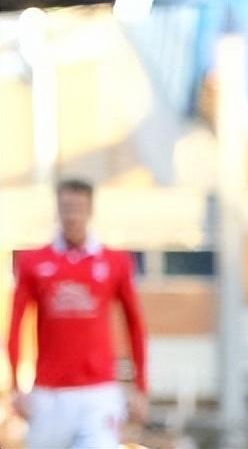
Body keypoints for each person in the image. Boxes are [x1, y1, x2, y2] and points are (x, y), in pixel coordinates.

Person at [7, 179, 148, 449]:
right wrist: (15, 388)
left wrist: (140, 386)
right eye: (67, 208)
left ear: (90, 210)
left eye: (79, 208)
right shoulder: (32, 262)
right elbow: (15, 324)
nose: (73, 216)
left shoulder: (115, 261)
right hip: (49, 394)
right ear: (58, 210)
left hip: (99, 392)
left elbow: (135, 324)